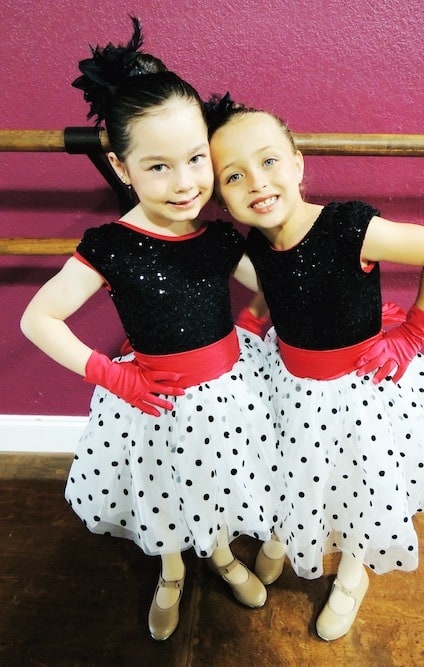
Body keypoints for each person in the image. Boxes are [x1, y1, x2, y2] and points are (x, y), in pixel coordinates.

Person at [20, 22, 278, 641]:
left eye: (195, 160)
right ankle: (169, 571)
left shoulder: (216, 237)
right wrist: (113, 376)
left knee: (217, 476)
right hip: (152, 400)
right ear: (121, 165)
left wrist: (244, 331)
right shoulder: (111, 246)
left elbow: (270, 288)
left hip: (226, 390)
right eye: (159, 167)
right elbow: (38, 319)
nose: (186, 183)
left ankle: (216, 552)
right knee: (164, 488)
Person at [207, 96, 424, 641]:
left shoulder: (349, 225)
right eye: (234, 176)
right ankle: (286, 535)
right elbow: (274, 294)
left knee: (361, 482)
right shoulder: (257, 243)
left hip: (359, 390)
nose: (257, 184)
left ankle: (354, 570)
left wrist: (412, 336)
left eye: (268, 162)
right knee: (296, 469)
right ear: (222, 194)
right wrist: (245, 325)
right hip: (292, 383)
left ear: (297, 162)